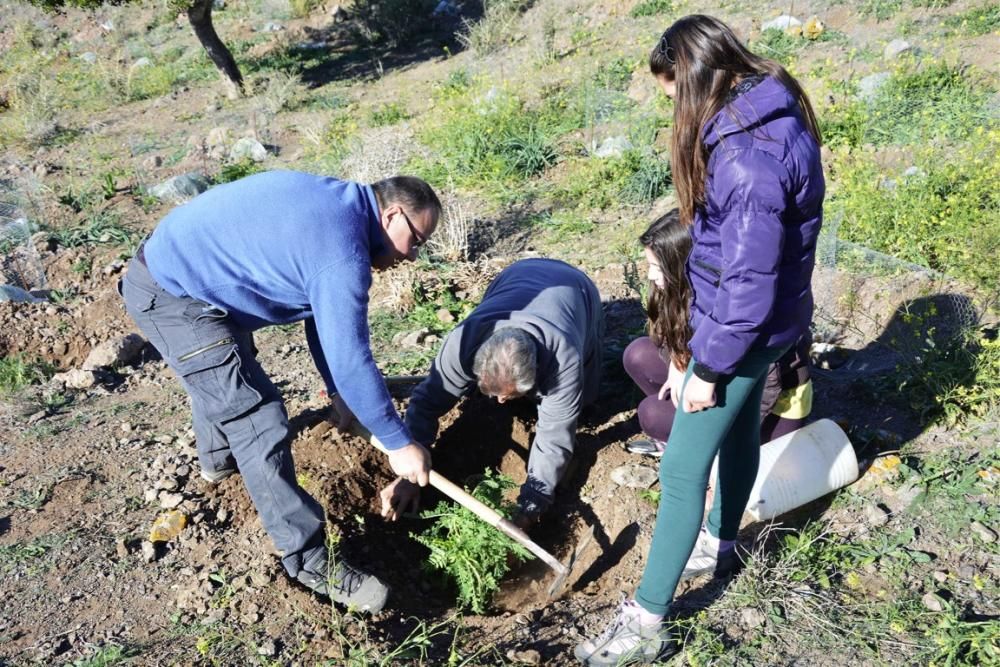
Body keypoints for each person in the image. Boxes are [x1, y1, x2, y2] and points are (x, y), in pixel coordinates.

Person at [575, 15, 824, 666]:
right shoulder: (773, 107)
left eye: (671, 96)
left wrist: (705, 366)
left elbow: (744, 284)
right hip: (775, 324)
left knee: (683, 469)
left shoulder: (744, 159)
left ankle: (649, 619)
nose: (672, 112)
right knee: (738, 434)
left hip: (742, 332)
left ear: (693, 82)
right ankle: (722, 542)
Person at [119, 170, 441, 614]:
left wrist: (338, 391)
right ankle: (308, 559)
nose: (414, 256)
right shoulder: (342, 251)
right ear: (392, 214)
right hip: (173, 294)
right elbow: (351, 353)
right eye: (417, 240)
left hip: (187, 275)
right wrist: (397, 442)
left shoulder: (342, 212)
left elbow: (321, 316)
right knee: (257, 415)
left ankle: (221, 467)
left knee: (222, 373)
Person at [378, 258, 604, 529]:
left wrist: (531, 506)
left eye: (509, 395)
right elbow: (426, 403)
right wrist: (409, 475)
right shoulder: (463, 343)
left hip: (576, 290)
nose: (499, 402)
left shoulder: (563, 359)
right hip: (517, 274)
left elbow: (554, 437)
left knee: (587, 403)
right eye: (493, 392)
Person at [623, 210, 813, 459]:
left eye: (657, 267)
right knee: (637, 355)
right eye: (649, 265)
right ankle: (685, 432)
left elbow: (765, 388)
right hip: (713, 380)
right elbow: (669, 338)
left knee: (652, 414)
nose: (650, 275)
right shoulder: (678, 289)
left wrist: (720, 432)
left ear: (684, 264)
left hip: (768, 407)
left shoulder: (738, 309)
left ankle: (702, 450)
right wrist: (678, 364)